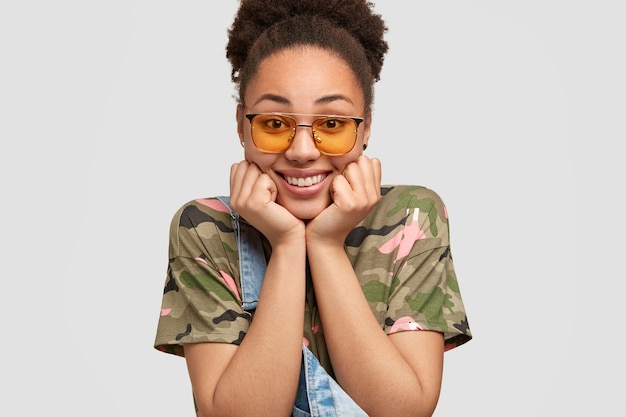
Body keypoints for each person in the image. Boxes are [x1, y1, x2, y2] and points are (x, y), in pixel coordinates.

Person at [154, 1, 472, 416]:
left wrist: (324, 244)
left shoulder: (411, 216)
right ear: (241, 126)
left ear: (366, 128)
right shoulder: (204, 227)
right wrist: (287, 244)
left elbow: (403, 411)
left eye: (332, 125)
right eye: (274, 124)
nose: (302, 151)